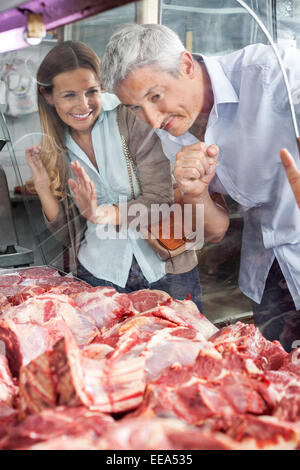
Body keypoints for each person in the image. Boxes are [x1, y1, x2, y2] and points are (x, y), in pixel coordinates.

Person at [101, 24, 300, 351]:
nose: (151, 119)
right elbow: (217, 229)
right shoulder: (170, 129)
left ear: (187, 65)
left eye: (155, 96)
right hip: (267, 279)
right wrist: (195, 192)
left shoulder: (272, 73)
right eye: (136, 107)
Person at [25, 40, 229, 312]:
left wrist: (102, 213)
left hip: (166, 271)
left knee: (184, 351)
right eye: (69, 95)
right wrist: (42, 186)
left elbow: (160, 199)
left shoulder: (129, 116)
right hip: (98, 275)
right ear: (48, 96)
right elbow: (69, 233)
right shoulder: (55, 144)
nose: (83, 104)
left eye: (91, 91)